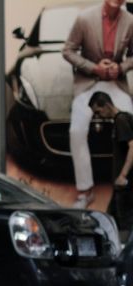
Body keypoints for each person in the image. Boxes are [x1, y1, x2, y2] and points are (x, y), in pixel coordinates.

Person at [63, 0, 133, 209]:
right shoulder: (85, 18)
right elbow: (68, 51)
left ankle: (128, 182)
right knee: (76, 130)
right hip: (88, 83)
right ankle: (85, 191)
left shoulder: (130, 21)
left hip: (115, 83)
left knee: (131, 124)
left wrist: (119, 68)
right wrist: (94, 68)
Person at [90, 90, 133, 231]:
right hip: (119, 186)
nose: (99, 116)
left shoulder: (121, 120)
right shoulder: (120, 120)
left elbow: (132, 147)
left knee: (124, 225)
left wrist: (123, 175)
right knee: (110, 222)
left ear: (107, 105)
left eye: (98, 111)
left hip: (125, 185)